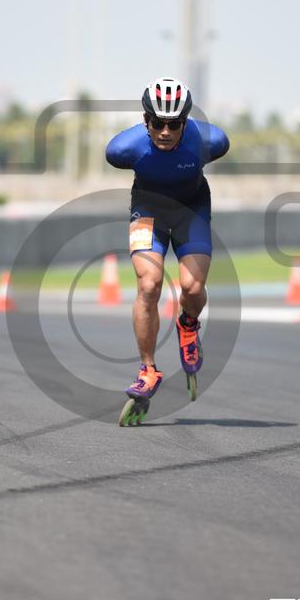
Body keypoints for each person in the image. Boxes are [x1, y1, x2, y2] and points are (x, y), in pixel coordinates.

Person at [105, 76, 230, 415]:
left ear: (185, 122)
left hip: (191, 209)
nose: (164, 131)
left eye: (173, 124)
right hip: (148, 210)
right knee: (149, 285)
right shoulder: (123, 149)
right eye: (157, 123)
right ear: (145, 120)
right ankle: (147, 370)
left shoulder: (211, 141)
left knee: (193, 287)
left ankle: (188, 324)